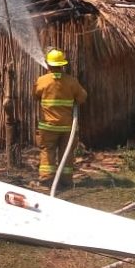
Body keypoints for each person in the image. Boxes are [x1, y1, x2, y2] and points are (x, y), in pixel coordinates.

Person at [33, 47, 87, 187]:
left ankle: (46, 179)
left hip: (48, 127)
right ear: (62, 65)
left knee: (47, 152)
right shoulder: (71, 81)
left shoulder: (42, 81)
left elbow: (35, 95)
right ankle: (66, 181)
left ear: (48, 64)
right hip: (67, 127)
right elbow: (82, 98)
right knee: (66, 153)